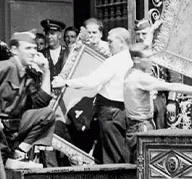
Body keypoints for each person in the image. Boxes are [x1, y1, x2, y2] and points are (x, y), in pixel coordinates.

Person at [53, 28, 132, 164]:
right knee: (120, 150)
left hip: (110, 112)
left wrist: (65, 83)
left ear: (122, 42)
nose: (108, 44)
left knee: (112, 154)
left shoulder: (114, 61)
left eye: (111, 41)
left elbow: (91, 82)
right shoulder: (131, 59)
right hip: (124, 111)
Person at [123, 44, 192, 162]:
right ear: (137, 60)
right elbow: (172, 86)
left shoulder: (129, 73)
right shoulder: (140, 78)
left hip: (134, 126)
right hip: (141, 127)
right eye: (148, 58)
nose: (151, 61)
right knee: (145, 166)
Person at [0, 31, 55, 169]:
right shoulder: (6, 67)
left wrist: (46, 71)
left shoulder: (26, 75)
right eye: (28, 48)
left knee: (47, 114)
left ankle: (18, 153)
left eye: (35, 48)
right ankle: (8, 160)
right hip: (1, 128)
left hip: (13, 128)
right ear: (14, 50)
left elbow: (41, 101)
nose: (33, 52)